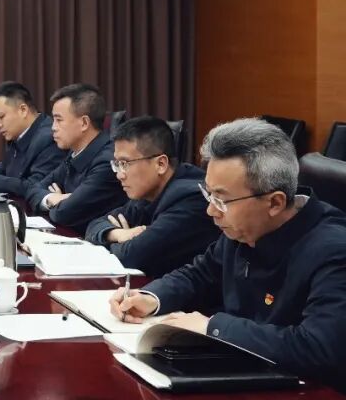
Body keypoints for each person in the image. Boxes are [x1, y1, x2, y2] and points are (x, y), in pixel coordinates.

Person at [111, 118, 346, 392]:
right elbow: (200, 274)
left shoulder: (334, 249)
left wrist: (214, 328)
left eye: (221, 200)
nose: (211, 210)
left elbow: (318, 348)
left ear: (275, 202)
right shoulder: (244, 227)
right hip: (243, 375)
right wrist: (151, 297)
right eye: (209, 195)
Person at [84, 116, 219, 277]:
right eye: (117, 164)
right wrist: (118, 234)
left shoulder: (192, 200)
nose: (119, 174)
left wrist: (125, 245)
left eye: (125, 164)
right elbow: (93, 226)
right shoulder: (147, 192)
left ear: (161, 164)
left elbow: (131, 257)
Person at [27, 83, 125, 234]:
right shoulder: (76, 153)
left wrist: (60, 203)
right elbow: (32, 189)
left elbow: (65, 214)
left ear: (84, 123)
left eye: (59, 120)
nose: (53, 127)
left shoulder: (107, 162)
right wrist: (52, 199)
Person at [0, 81, 64, 197]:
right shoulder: (19, 134)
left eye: (1, 117)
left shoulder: (51, 138)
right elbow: (7, 169)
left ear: (23, 110)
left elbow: (34, 187)